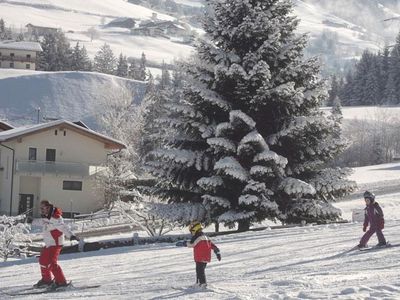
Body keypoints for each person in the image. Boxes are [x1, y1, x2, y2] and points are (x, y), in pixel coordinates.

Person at [34, 200, 79, 290]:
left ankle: (61, 282)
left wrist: (71, 235)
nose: (41, 210)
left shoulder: (55, 217)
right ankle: (46, 280)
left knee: (51, 263)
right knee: (43, 261)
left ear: (48, 207)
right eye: (40, 208)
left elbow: (63, 227)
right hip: (49, 243)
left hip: (55, 243)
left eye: (43, 208)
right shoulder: (46, 216)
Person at [176, 222, 221, 288]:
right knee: (199, 270)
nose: (191, 233)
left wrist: (184, 243)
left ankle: (203, 283)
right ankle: (198, 282)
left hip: (200, 257)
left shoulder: (197, 236)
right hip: (206, 257)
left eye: (192, 231)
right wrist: (217, 252)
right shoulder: (205, 237)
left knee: (200, 271)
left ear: (195, 229)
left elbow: (192, 244)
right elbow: (212, 245)